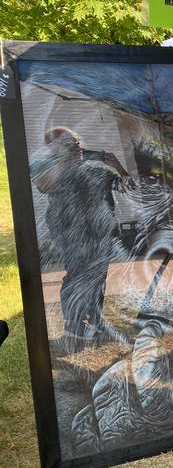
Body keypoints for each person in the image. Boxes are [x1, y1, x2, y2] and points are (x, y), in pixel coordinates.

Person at [30, 127, 129, 350]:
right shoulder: (48, 168)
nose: (75, 147)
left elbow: (126, 186)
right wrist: (65, 160)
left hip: (99, 231)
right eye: (67, 143)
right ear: (53, 147)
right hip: (69, 230)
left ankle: (94, 319)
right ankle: (74, 326)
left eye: (75, 142)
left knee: (98, 277)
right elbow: (43, 184)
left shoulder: (94, 170)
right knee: (77, 274)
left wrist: (116, 166)